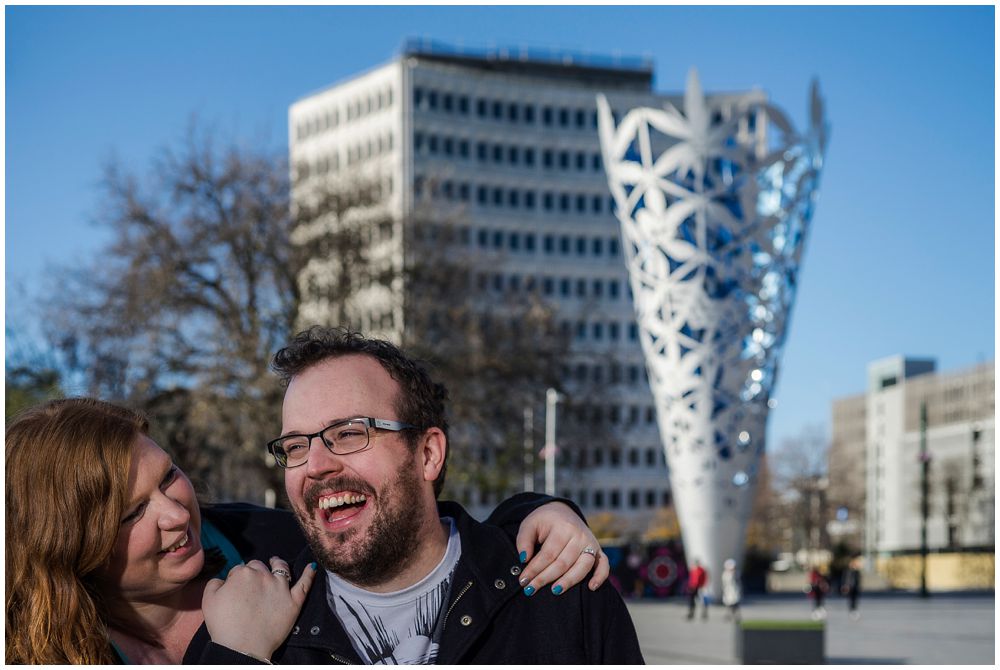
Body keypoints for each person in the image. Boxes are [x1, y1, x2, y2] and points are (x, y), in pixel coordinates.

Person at [5, 397, 609, 664]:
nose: (174, 513)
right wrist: (237, 657)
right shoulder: (28, 650)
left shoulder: (278, 546)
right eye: (131, 514)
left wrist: (534, 514)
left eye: (170, 477)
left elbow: (403, 526)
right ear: (67, 546)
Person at [200, 326, 645, 664]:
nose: (315, 466)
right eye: (296, 446)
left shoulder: (561, 590)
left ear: (428, 453)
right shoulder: (251, 635)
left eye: (350, 433)